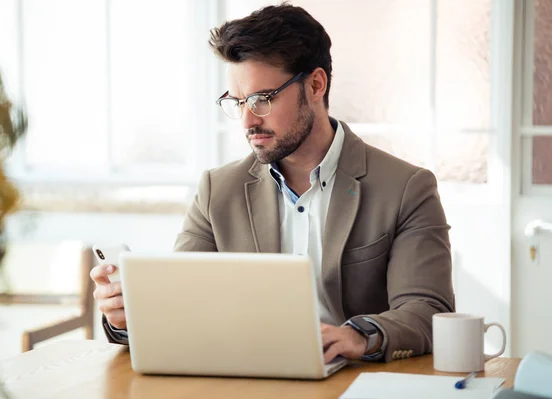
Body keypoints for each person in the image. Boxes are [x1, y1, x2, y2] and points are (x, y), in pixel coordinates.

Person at [90, 3, 455, 363]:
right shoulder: (217, 191)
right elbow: (181, 307)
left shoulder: (407, 188)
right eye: (237, 102)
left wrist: (356, 335)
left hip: (356, 380)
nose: (247, 121)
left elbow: (426, 310)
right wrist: (127, 319)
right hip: (247, 379)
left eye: (261, 99)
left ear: (315, 85)